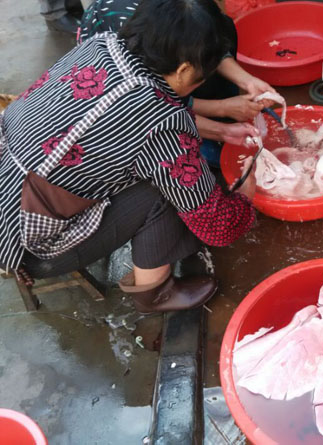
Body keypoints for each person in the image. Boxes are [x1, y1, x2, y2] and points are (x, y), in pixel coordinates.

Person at [0, 0, 258, 313]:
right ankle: (155, 293)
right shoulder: (162, 124)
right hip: (25, 241)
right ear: (184, 69)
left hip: (12, 181)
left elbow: (135, 111)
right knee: (170, 186)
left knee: (168, 167)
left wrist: (221, 130)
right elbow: (216, 226)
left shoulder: (99, 45)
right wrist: (246, 194)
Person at [78, 0, 275, 166]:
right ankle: (198, 126)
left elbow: (206, 39)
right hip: (124, 98)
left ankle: (210, 112)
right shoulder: (134, 58)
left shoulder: (187, 16)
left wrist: (247, 81)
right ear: (183, 68)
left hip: (161, 68)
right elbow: (156, 105)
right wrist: (221, 116)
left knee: (223, 25)